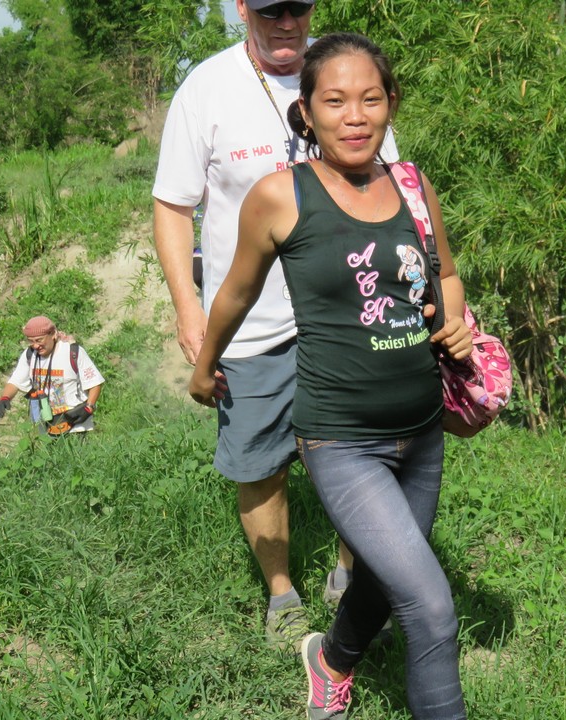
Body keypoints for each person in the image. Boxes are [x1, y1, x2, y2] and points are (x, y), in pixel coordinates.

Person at [188, 32, 471, 720]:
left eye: (370, 99)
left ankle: (331, 662)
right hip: (342, 439)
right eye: (335, 101)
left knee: (380, 577)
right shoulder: (281, 196)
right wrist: (205, 365)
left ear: (391, 103)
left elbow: (447, 274)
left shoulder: (412, 185)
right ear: (307, 113)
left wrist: (457, 321)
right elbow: (235, 291)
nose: (355, 116)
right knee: (431, 608)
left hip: (422, 432)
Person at [152, 0, 399, 651]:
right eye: (270, 10)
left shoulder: (344, 73)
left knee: (359, 456)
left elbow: (390, 184)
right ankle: (282, 595)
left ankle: (350, 578)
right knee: (260, 466)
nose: (286, 21)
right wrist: (189, 308)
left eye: (298, 7)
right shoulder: (206, 89)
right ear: (241, 8)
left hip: (346, 316)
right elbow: (173, 205)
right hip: (250, 326)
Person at [0, 316, 104, 437]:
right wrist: (4, 399)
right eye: (31, 341)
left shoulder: (72, 352)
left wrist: (89, 407)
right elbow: (15, 382)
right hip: (45, 424)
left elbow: (94, 383)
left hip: (75, 424)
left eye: (39, 340)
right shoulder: (30, 355)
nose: (35, 346)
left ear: (53, 334)